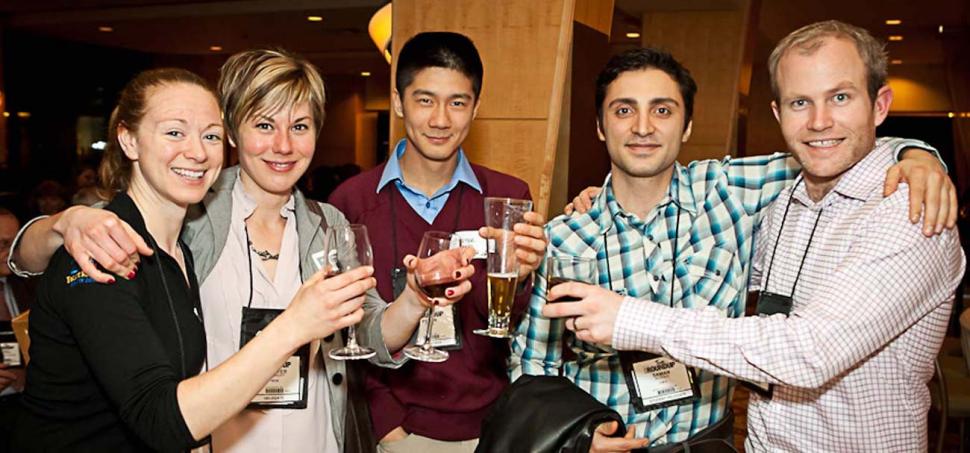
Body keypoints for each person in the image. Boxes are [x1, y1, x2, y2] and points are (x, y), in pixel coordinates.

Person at [8, 50, 475, 453]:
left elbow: (367, 336)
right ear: (233, 132)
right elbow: (38, 262)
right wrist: (63, 221)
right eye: (264, 125)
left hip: (315, 439)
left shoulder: (327, 224)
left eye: (300, 126)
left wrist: (413, 298)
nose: (283, 146)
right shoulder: (190, 213)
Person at [541, 20, 965, 452]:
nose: (820, 121)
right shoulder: (783, 200)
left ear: (879, 105)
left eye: (840, 97)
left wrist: (917, 154)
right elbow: (534, 358)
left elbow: (807, 352)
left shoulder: (910, 211)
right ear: (779, 113)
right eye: (801, 102)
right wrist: (574, 435)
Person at [329, 32, 548, 453]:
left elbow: (509, 325)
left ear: (476, 108)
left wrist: (521, 281)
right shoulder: (351, 201)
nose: (441, 119)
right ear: (399, 102)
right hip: (394, 431)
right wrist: (387, 428)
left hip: (492, 426)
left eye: (458, 102)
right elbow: (345, 334)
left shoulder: (505, 196)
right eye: (425, 100)